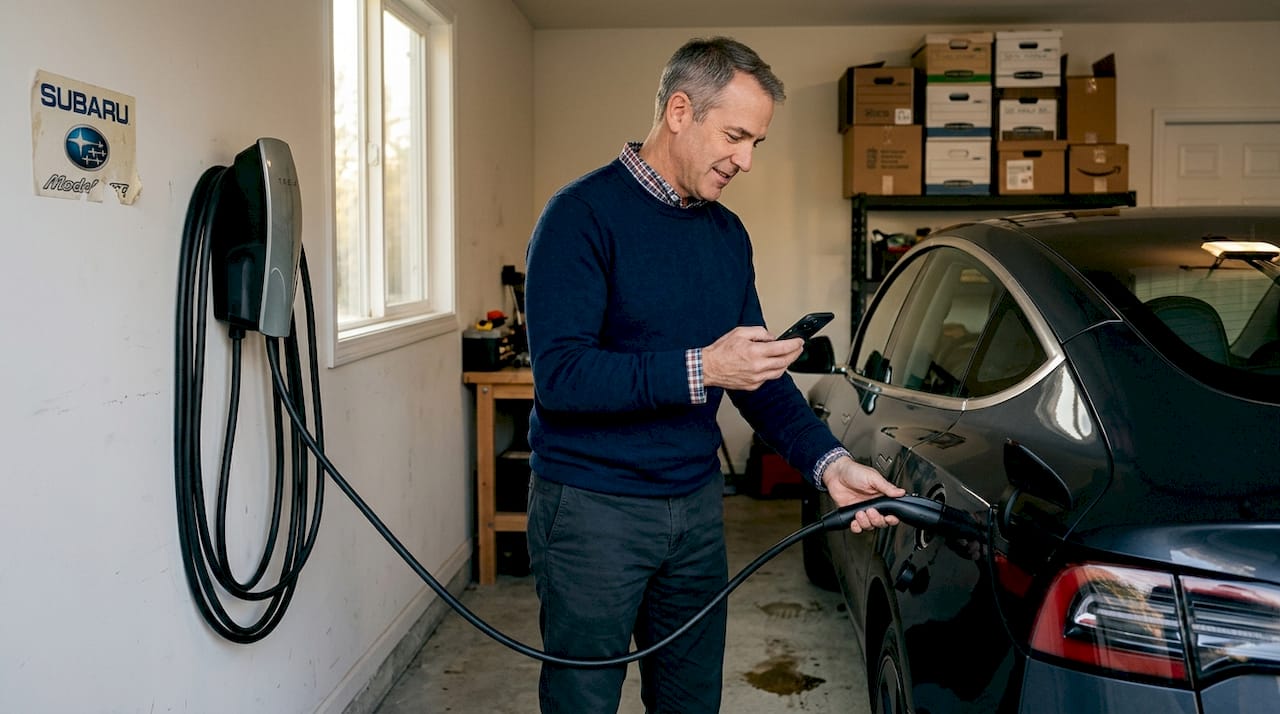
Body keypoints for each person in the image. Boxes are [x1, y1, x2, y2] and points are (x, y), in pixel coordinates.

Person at [522, 36, 905, 714]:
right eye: (735, 136)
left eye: (757, 142)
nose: (746, 160)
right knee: (583, 701)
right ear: (679, 111)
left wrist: (828, 464)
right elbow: (563, 377)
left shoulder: (726, 235)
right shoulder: (579, 217)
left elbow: (754, 375)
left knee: (691, 701)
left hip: (696, 512)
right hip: (593, 512)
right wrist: (704, 367)